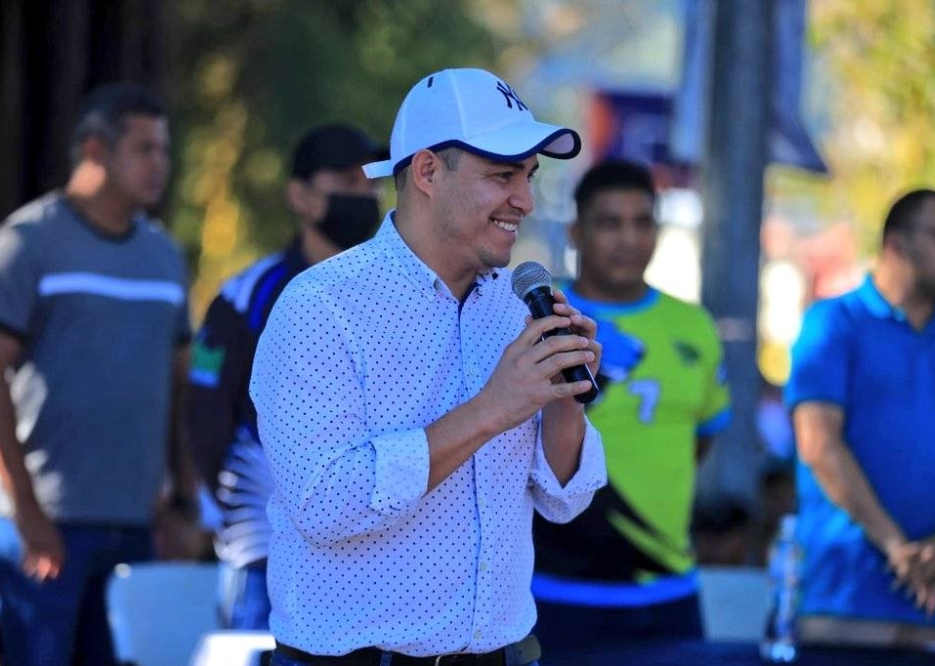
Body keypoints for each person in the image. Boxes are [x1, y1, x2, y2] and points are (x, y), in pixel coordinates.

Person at [251, 67, 607, 666]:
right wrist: (492, 409)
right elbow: (325, 505)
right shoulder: (321, 306)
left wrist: (562, 399)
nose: (524, 199)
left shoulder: (515, 304)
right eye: (502, 175)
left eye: (529, 176)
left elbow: (565, 501)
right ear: (426, 172)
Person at [0, 82, 196, 666]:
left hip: (134, 527)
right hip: (40, 529)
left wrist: (183, 503)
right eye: (145, 149)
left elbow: (177, 386)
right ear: (95, 150)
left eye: (163, 150)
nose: (159, 165)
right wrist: (26, 511)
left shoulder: (164, 256)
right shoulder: (25, 244)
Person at [187, 123, 385, 630]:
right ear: (299, 195)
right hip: (262, 549)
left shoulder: (397, 295)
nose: (362, 195)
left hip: (369, 556)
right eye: (344, 180)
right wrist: (221, 508)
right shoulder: (245, 297)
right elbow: (204, 414)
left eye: (370, 182)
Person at [530, 160, 731, 652]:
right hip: (552, 591)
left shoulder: (695, 327)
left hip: (667, 593)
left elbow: (701, 439)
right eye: (610, 223)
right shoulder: (540, 322)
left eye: (642, 223)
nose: (628, 239)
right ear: (576, 231)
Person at [786, 188, 935, 645]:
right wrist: (896, 548)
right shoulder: (833, 323)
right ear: (896, 244)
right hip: (845, 593)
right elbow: (818, 444)